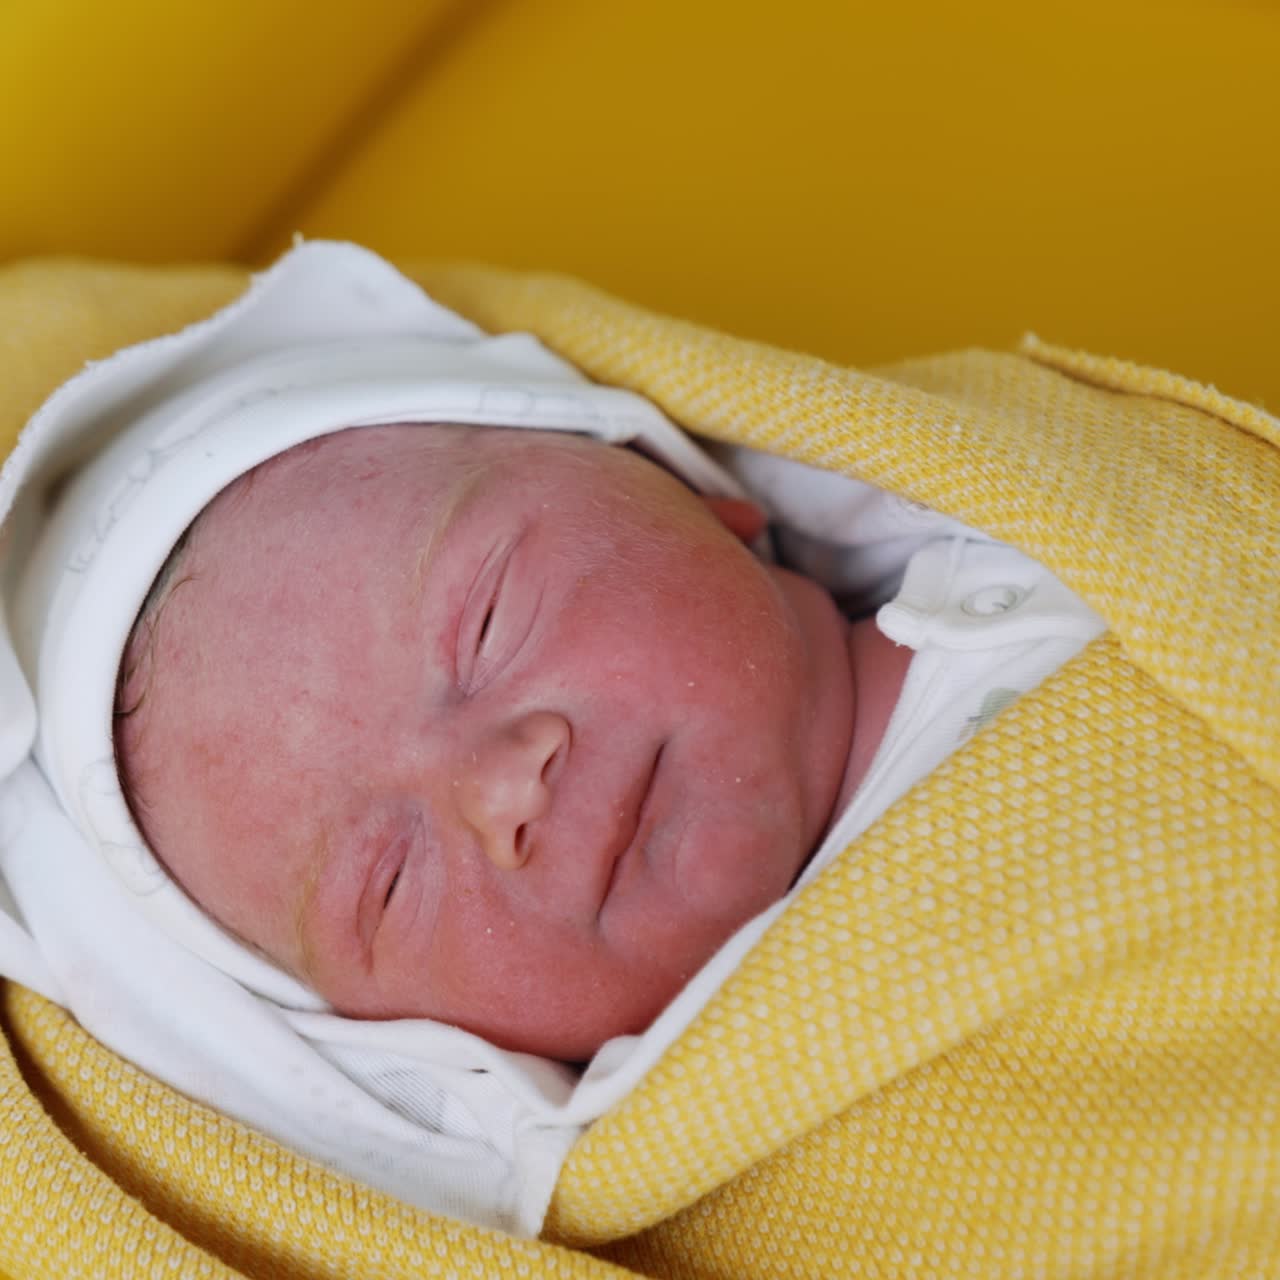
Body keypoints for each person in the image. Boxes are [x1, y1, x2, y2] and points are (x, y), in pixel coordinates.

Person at [0, 240, 1105, 1231]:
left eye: (488, 624)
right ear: (440, 1053)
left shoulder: (1071, 549)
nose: (497, 793)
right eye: (386, 885)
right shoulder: (690, 1156)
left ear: (682, 483)